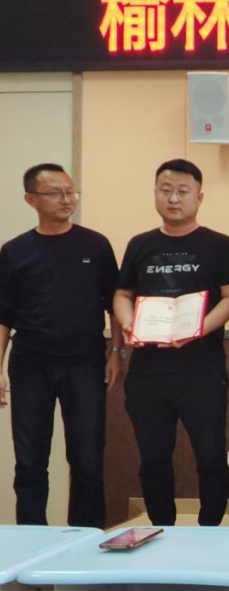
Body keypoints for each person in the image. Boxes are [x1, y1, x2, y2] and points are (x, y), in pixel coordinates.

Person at [113, 159, 229, 526]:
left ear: (199, 196)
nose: (173, 198)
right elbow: (122, 294)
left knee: (211, 456)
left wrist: (197, 329)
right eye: (165, 190)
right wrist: (129, 322)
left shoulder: (218, 244)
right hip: (148, 372)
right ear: (155, 194)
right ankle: (161, 528)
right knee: (153, 458)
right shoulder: (140, 244)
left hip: (202, 370)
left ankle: (209, 530)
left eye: (183, 191)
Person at [0, 163, 122, 528]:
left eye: (71, 192)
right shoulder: (14, 251)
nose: (67, 199)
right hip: (30, 363)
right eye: (56, 193)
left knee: (87, 460)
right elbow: (3, 316)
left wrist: (116, 352)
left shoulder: (95, 245)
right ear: (30, 199)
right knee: (30, 462)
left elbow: (115, 304)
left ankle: (86, 540)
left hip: (85, 362)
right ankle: (32, 543)